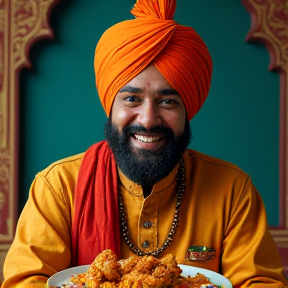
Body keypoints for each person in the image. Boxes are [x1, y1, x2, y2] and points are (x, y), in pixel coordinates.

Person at [2, 0, 287, 287]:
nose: (149, 119)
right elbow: (26, 282)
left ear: (188, 108)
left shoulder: (233, 190)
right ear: (109, 106)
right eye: (132, 99)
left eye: (167, 101)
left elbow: (262, 282)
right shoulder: (58, 187)